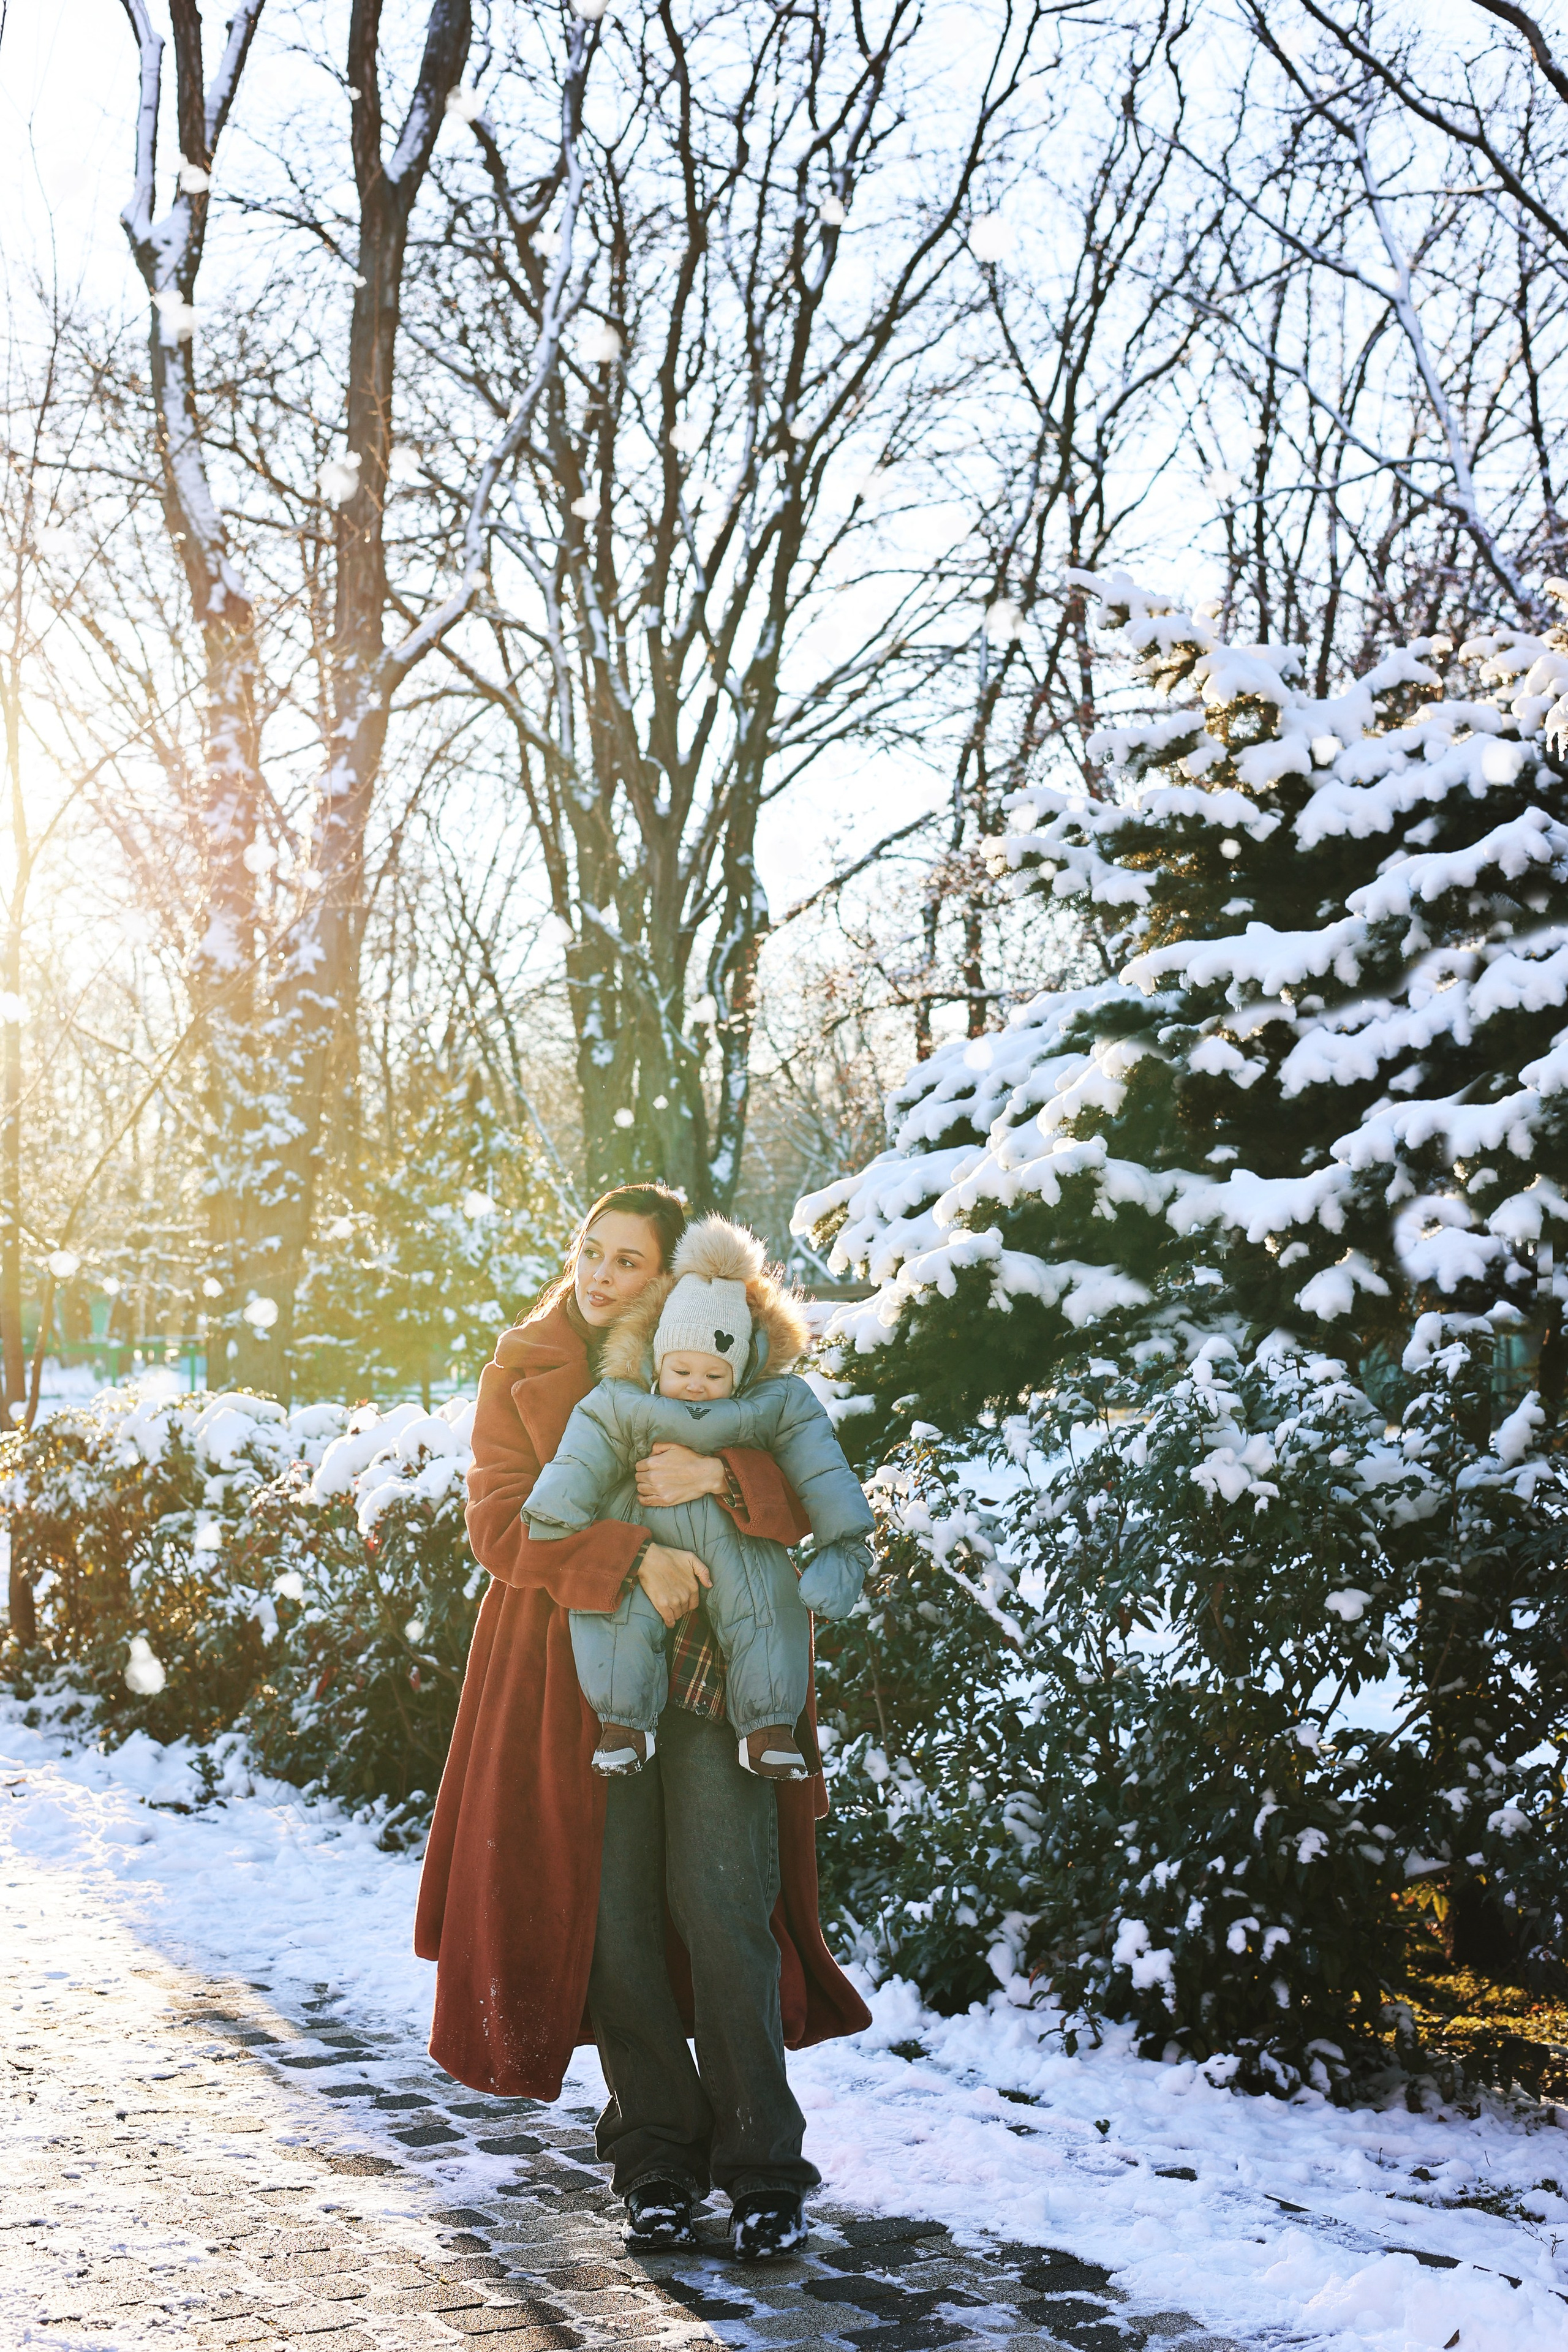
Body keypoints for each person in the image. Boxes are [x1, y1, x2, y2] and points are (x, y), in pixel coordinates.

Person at [413, 1181, 872, 2266]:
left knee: (726, 1907)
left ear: (668, 1277)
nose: (602, 1275)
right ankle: (657, 2159)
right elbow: (498, 1524)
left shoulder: (725, 1349)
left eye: (629, 1261)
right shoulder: (525, 1360)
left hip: (718, 1672)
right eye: (592, 1251)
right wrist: (632, 1556)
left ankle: (764, 2164)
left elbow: (809, 1477)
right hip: (573, 1682)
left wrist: (720, 1472)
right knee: (611, 1923)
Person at [526, 1215, 874, 1783]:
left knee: (766, 1606)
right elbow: (585, 1450)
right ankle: (623, 1722)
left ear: (738, 1375)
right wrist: (555, 1511)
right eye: (681, 1369)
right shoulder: (624, 1399)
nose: (694, 1385)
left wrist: (845, 1543)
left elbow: (821, 1468)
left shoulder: (773, 1403)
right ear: (656, 1360)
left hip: (734, 1535)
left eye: (714, 1374)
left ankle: (767, 1726)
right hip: (643, 1530)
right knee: (617, 1612)